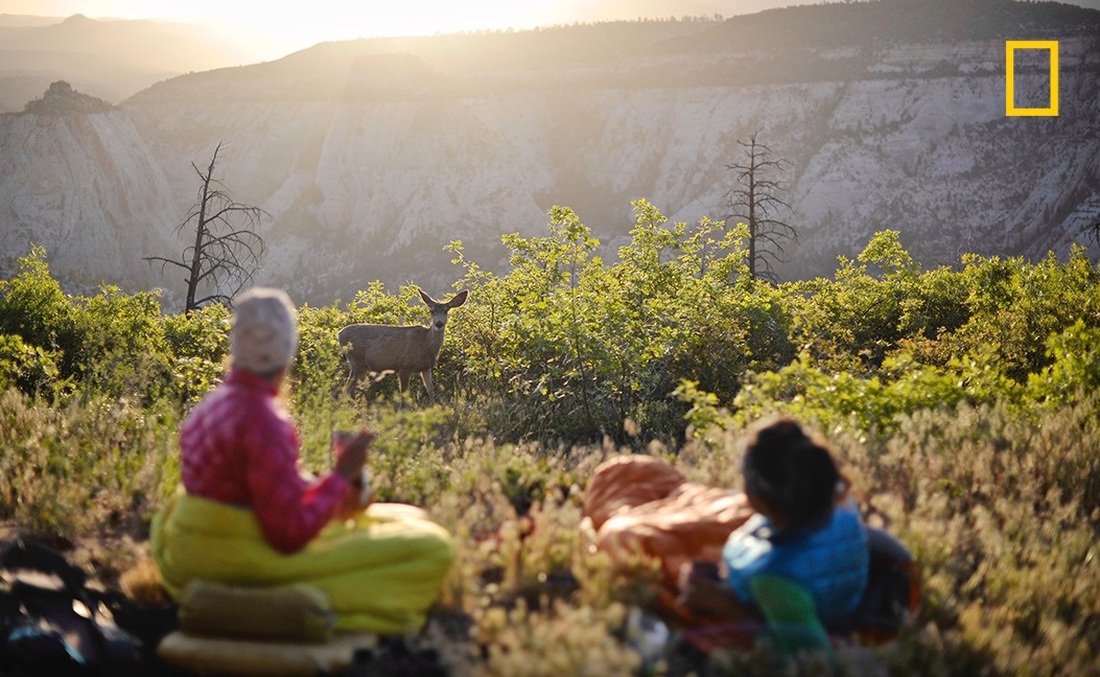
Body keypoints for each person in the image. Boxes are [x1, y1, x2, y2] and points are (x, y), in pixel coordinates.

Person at [151, 287, 454, 635]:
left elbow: (249, 484)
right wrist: (341, 476)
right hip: (236, 559)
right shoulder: (267, 422)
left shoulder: (208, 407)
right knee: (432, 546)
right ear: (286, 354)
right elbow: (288, 533)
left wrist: (307, 484)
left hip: (187, 549)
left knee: (402, 515)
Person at [678, 416, 869, 656]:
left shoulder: (773, 578)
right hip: (819, 587)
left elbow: (811, 656)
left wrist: (724, 605)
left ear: (757, 498)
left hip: (794, 606)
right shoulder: (838, 503)